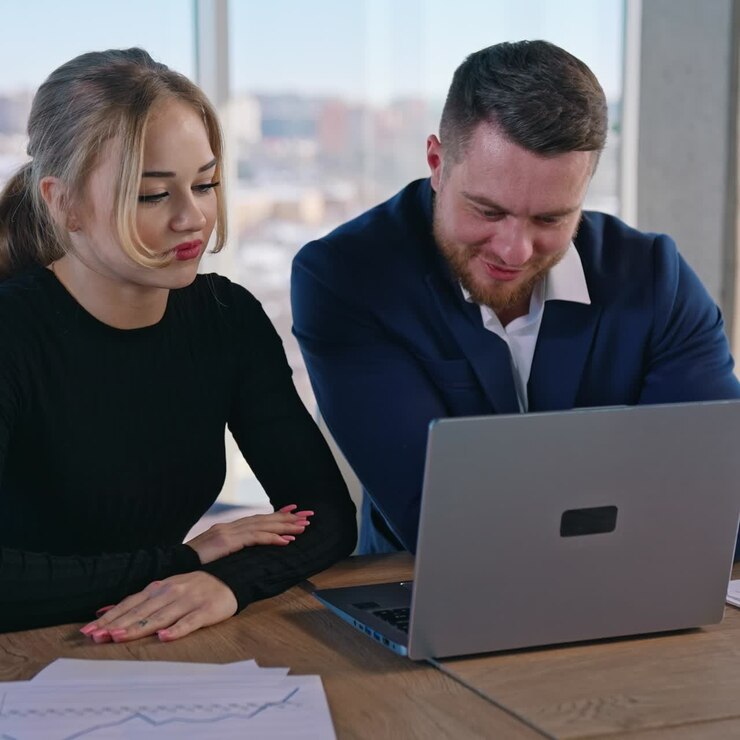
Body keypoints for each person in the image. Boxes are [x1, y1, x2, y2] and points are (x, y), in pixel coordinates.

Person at [291, 39, 740, 555]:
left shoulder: (655, 280)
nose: (514, 249)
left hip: (641, 588)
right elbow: (441, 519)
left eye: (550, 218)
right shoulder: (347, 279)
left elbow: (717, 493)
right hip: (426, 590)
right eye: (487, 210)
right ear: (437, 163)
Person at [0, 48, 356, 637]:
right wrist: (187, 559)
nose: (193, 218)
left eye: (206, 183)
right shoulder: (14, 334)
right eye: (153, 195)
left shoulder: (226, 317)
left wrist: (228, 583)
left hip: (153, 645)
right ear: (63, 203)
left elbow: (327, 518)